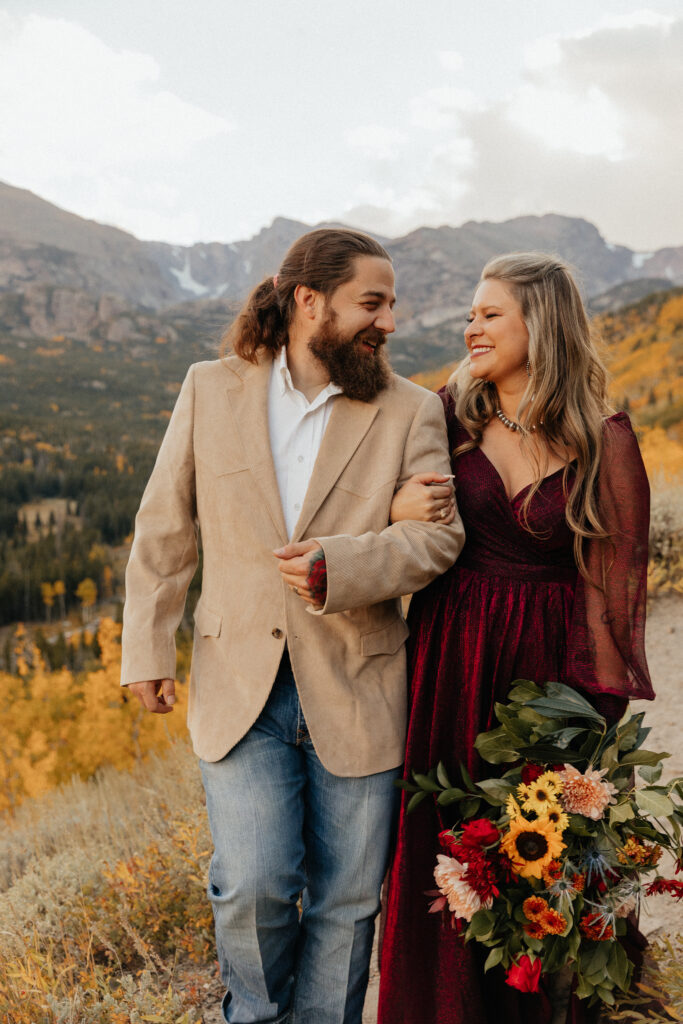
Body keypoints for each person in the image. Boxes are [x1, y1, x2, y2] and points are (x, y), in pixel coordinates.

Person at [120, 227, 465, 1024]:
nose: (387, 320)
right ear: (310, 301)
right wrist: (147, 646)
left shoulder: (413, 408)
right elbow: (165, 526)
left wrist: (337, 567)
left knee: (348, 902)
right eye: (370, 303)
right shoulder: (210, 387)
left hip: (358, 683)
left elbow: (436, 538)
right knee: (252, 885)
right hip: (239, 685)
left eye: (389, 304)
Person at [377, 252, 655, 1024]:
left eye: (488, 313)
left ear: (542, 323)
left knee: (540, 878)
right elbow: (373, 509)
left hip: (547, 684)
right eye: (470, 313)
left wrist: (593, 728)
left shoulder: (601, 439)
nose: (470, 327)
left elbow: (615, 586)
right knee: (448, 861)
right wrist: (396, 511)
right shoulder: (444, 417)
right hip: (448, 666)